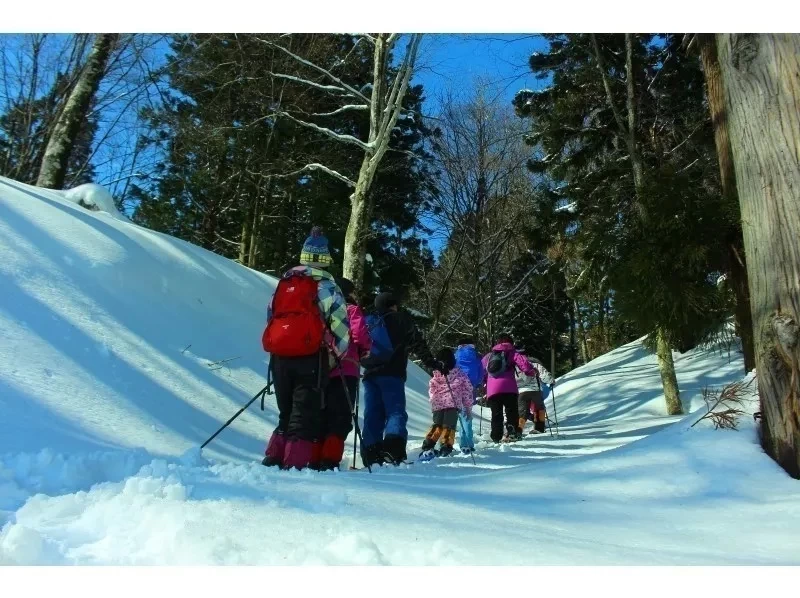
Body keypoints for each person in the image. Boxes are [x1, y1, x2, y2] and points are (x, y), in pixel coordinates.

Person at [261, 226, 350, 471]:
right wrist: (333, 359)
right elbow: (342, 330)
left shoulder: (284, 283)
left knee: (285, 410)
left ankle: (273, 457)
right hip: (311, 357)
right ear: (326, 258)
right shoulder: (328, 287)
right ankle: (295, 463)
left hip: (280, 356)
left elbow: (271, 316)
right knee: (304, 411)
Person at [360, 291, 437, 467]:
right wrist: (430, 362)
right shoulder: (400, 319)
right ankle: (392, 451)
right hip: (392, 373)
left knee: (372, 414)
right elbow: (417, 342)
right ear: (392, 304)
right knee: (395, 411)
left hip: (370, 374)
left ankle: (371, 454)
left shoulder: (368, 320)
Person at [318, 277, 371, 471]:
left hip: (323, 366)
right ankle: (330, 458)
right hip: (346, 366)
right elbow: (358, 335)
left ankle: (315, 456)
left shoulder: (323, 305)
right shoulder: (351, 309)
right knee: (340, 415)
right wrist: (365, 349)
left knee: (322, 412)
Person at [419, 348, 474, 460]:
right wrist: (467, 406)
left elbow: (431, 388)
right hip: (452, 404)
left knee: (437, 425)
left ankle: (428, 445)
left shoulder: (436, 374)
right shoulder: (460, 374)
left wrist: (433, 399)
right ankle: (445, 447)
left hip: (438, 404)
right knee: (449, 426)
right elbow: (467, 390)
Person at [481, 333, 536, 443]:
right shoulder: (513, 352)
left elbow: (481, 370)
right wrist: (532, 371)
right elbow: (524, 365)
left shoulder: (489, 355)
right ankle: (512, 431)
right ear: (511, 342)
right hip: (509, 388)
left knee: (496, 414)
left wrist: (483, 383)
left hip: (493, 390)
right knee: (511, 412)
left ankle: (496, 436)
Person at [515, 352, 555, 434]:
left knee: (522, 411)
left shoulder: (516, 366)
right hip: (535, 390)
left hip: (521, 392)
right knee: (539, 408)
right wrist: (551, 381)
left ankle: (519, 429)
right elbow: (545, 375)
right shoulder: (535, 364)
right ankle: (539, 428)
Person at [454, 338, 481, 453]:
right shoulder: (476, 356)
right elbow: (480, 372)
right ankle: (467, 443)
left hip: (456, 386)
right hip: (470, 387)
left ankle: (458, 441)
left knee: (459, 414)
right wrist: (477, 383)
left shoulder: (455, 355)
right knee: (467, 415)